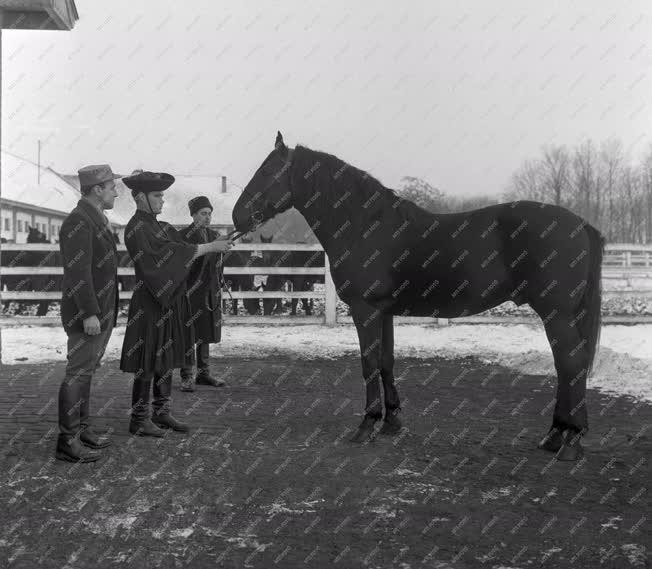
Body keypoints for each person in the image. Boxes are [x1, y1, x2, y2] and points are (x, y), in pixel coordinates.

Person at [119, 171, 233, 437]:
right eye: (157, 195)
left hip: (168, 301)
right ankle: (139, 419)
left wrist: (217, 246)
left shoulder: (161, 226)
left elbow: (184, 245)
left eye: (162, 195)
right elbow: (166, 257)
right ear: (140, 197)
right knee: (147, 359)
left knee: (165, 357)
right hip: (150, 302)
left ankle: (161, 411)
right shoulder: (136, 228)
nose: (162, 200)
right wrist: (208, 248)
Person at [56, 164, 121, 463]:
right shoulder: (79, 222)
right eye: (112, 187)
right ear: (97, 189)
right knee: (77, 373)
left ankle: (81, 430)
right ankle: (67, 441)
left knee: (87, 371)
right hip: (88, 313)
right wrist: (89, 314)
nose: (116, 193)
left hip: (99, 310)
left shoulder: (95, 220)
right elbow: (78, 273)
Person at [179, 196, 228, 391]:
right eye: (203, 213)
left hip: (210, 292)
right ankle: (187, 376)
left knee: (206, 332)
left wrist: (224, 250)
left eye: (209, 214)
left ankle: (204, 374)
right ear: (193, 215)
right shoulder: (182, 237)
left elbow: (218, 265)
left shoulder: (215, 235)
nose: (207, 218)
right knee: (188, 333)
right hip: (190, 291)